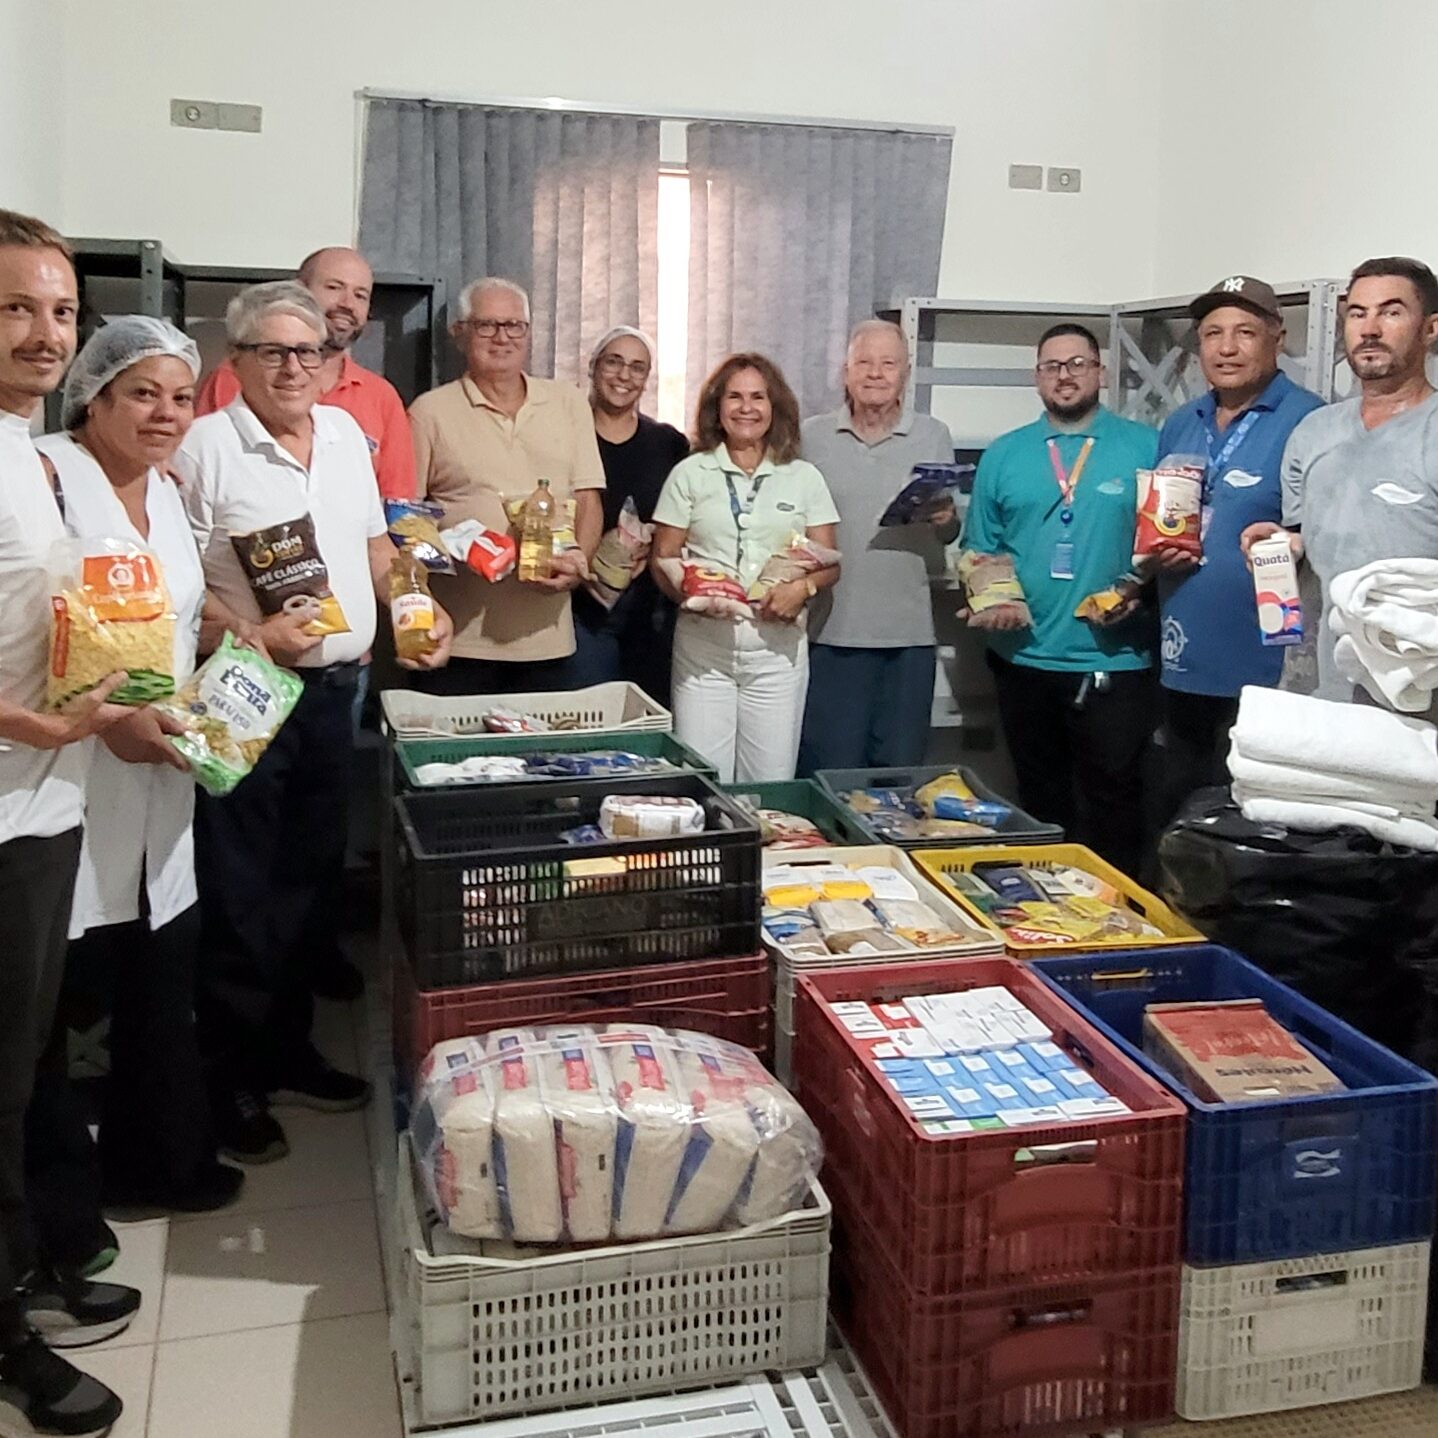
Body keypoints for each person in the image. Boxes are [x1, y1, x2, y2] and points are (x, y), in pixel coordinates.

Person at [174, 281, 452, 1166]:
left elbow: (375, 547)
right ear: (238, 361)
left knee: (308, 882)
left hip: (336, 692)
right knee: (239, 889)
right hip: (245, 691)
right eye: (274, 352)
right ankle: (229, 1079)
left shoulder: (341, 436)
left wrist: (417, 607)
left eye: (310, 352)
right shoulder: (204, 448)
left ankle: (288, 1051)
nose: (295, 367)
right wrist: (251, 633)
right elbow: (177, 586)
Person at [34, 318, 245, 1220]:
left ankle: (154, 1163)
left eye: (181, 397)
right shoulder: (46, 478)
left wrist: (239, 656)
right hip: (63, 769)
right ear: (95, 396)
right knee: (57, 996)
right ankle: (57, 1209)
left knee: (160, 970)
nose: (166, 413)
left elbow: (180, 618)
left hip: (162, 767)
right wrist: (114, 721)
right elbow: (26, 627)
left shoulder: (165, 490)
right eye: (143, 394)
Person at [0, 208, 138, 1438]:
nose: (46, 334)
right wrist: (29, 722)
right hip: (4, 802)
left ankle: (36, 1263)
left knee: (32, 1057)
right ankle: (6, 1337)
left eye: (58, 311)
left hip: (46, 802)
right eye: (16, 309)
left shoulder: (29, 452)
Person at [960, 323, 1158, 876]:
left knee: (1115, 807)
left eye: (1077, 364)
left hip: (1115, 661)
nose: (1064, 376)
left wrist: (1141, 595)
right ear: (1037, 377)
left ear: (1100, 372)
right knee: (1041, 805)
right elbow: (980, 549)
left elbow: (1172, 542)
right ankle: (1046, 914)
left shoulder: (1146, 447)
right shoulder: (1004, 454)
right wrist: (989, 598)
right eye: (1052, 366)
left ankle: (1116, 912)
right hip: (1023, 660)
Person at [1149, 277, 1323, 826]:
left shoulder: (1311, 421)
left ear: (1278, 338)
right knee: (1181, 824)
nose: (1226, 348)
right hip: (1182, 661)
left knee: (1252, 829)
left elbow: (1330, 538)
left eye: (1245, 333)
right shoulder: (1182, 422)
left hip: (1268, 670)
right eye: (1212, 334)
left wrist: (1296, 545)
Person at [1246, 257, 1438, 707]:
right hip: (1324, 693)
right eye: (1357, 313)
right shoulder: (1313, 432)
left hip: (1421, 700)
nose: (1369, 329)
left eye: (1391, 312)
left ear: (1430, 329)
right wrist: (1283, 548)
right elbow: (1308, 548)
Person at [408, 278, 606, 695]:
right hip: (459, 641)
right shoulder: (429, 412)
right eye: (487, 325)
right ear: (460, 333)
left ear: (529, 333)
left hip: (549, 641)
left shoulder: (568, 402)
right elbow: (405, 519)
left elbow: (588, 498)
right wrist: (451, 550)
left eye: (514, 325)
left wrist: (577, 564)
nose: (502, 337)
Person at [651, 353, 840, 783]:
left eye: (758, 397)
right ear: (717, 407)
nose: (746, 408)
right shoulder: (689, 473)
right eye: (734, 397)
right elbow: (662, 559)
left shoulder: (804, 477)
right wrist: (691, 596)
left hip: (776, 653)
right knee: (702, 781)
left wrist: (802, 589)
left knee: (768, 786)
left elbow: (830, 564)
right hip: (704, 651)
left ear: (775, 407)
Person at [796, 319, 957, 773]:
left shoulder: (933, 434)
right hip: (830, 633)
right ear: (845, 373)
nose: (875, 373)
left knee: (898, 776)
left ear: (905, 372)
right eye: (863, 362)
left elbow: (949, 533)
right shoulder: (811, 436)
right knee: (830, 772)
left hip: (908, 638)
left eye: (888, 363)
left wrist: (946, 518)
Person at [194, 246, 415, 502]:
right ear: (300, 291)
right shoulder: (232, 379)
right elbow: (198, 471)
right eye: (334, 287)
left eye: (360, 295)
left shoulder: (381, 397)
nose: (347, 304)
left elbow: (398, 502)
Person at [568, 326, 689, 705]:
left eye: (637, 368)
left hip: (651, 614)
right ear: (593, 366)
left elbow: (684, 520)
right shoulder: (564, 436)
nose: (624, 375)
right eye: (614, 362)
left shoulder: (668, 443)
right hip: (580, 613)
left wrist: (653, 548)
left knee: (649, 719)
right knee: (590, 717)